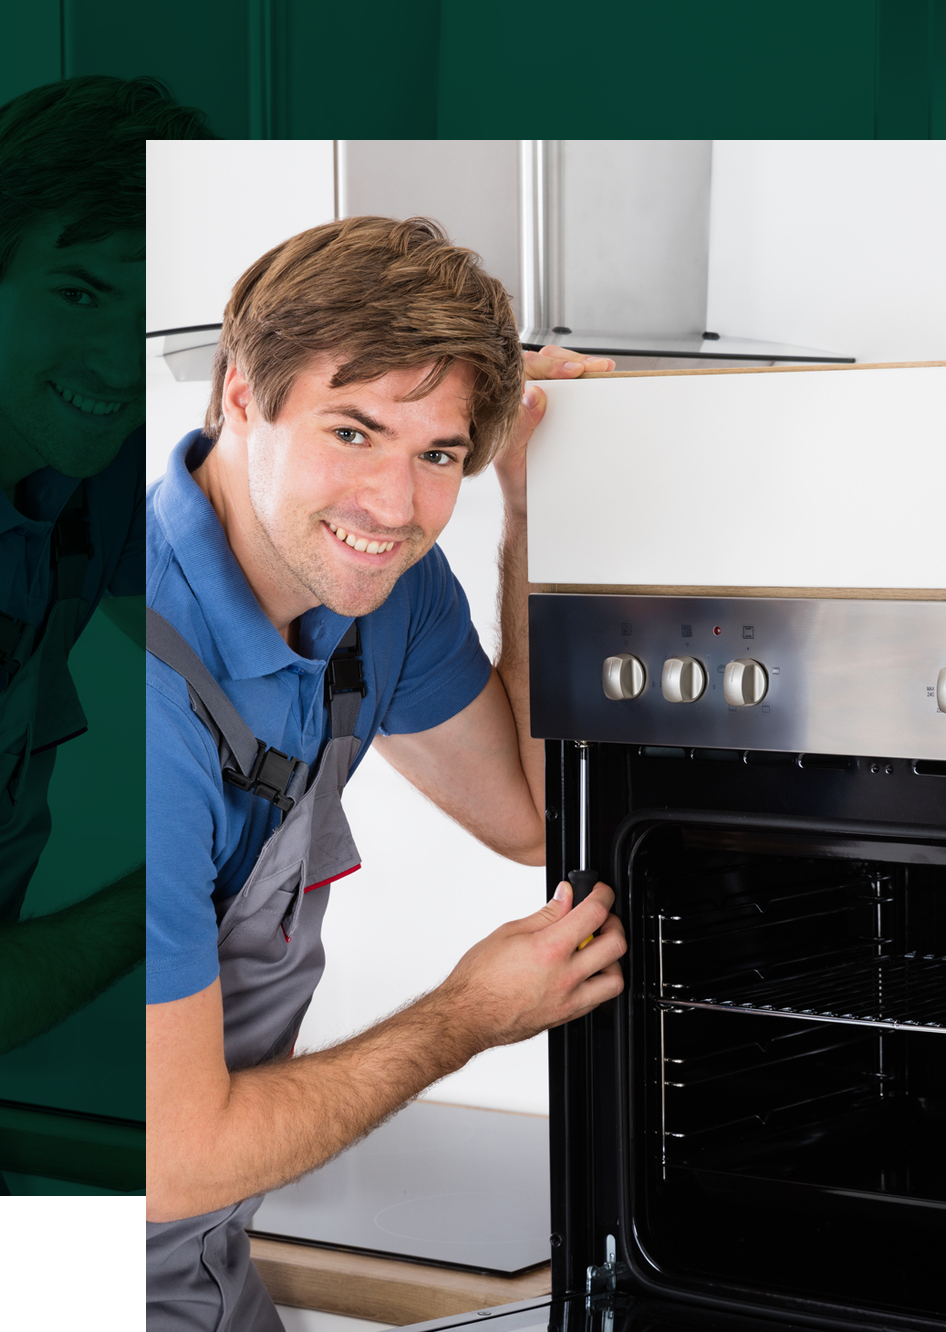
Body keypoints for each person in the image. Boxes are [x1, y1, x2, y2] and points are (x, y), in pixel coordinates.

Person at [146, 214, 626, 1329]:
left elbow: (533, 816)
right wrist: (466, 1013)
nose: (396, 507)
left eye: (439, 454)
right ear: (238, 395)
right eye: (352, 432)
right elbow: (167, 1155)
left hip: (201, 1256)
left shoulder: (382, 593)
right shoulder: (135, 691)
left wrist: (532, 501)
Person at [0, 75, 214, 1191]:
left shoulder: (72, 470)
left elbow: (218, 634)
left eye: (142, 316)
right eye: (77, 293)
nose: (113, 364)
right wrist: (190, 884)